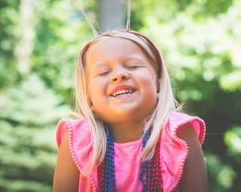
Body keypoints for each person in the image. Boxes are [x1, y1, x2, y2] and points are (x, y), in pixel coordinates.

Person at [53, 30, 208, 191]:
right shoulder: (76, 140)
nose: (119, 75)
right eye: (104, 72)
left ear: (158, 82)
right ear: (89, 96)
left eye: (133, 66)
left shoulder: (179, 134)